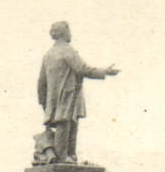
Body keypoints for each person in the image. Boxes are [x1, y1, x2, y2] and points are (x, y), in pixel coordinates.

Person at [37, 21, 119, 163]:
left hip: (54, 98)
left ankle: (68, 156)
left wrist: (44, 102)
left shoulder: (47, 55)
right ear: (64, 33)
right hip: (69, 95)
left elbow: (41, 82)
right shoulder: (67, 51)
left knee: (66, 124)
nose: (71, 34)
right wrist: (105, 72)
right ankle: (65, 157)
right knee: (67, 124)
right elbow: (83, 69)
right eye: (69, 31)